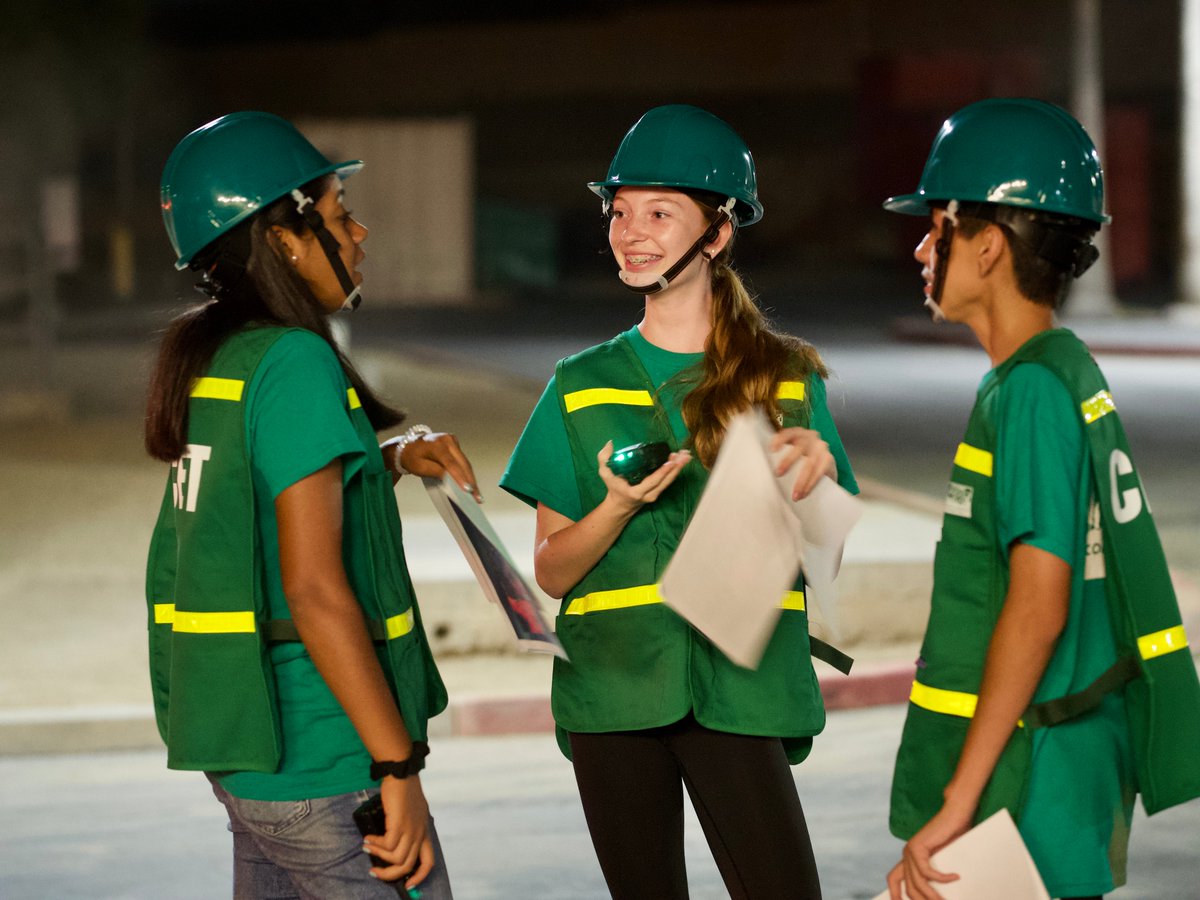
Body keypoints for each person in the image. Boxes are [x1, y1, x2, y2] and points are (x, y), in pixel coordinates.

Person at [500, 104, 858, 899]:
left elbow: (827, 559)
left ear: (718, 233)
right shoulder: (577, 384)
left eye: (660, 213)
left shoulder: (785, 378)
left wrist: (818, 476)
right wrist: (616, 508)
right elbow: (552, 573)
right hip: (614, 693)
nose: (631, 232)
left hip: (741, 687)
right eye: (621, 212)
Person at [145, 111, 480, 899]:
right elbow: (316, 590)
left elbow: (266, 500)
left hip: (253, 756)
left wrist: (390, 457)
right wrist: (396, 765)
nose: (360, 233)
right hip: (326, 756)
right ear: (286, 240)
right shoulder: (294, 362)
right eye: (337, 214)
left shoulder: (220, 354)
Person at [881, 98, 1200, 900]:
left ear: (987, 245)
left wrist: (959, 803)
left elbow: (1038, 604)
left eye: (938, 226)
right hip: (1055, 763)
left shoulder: (1029, 393)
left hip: (1032, 778)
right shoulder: (1056, 372)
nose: (922, 248)